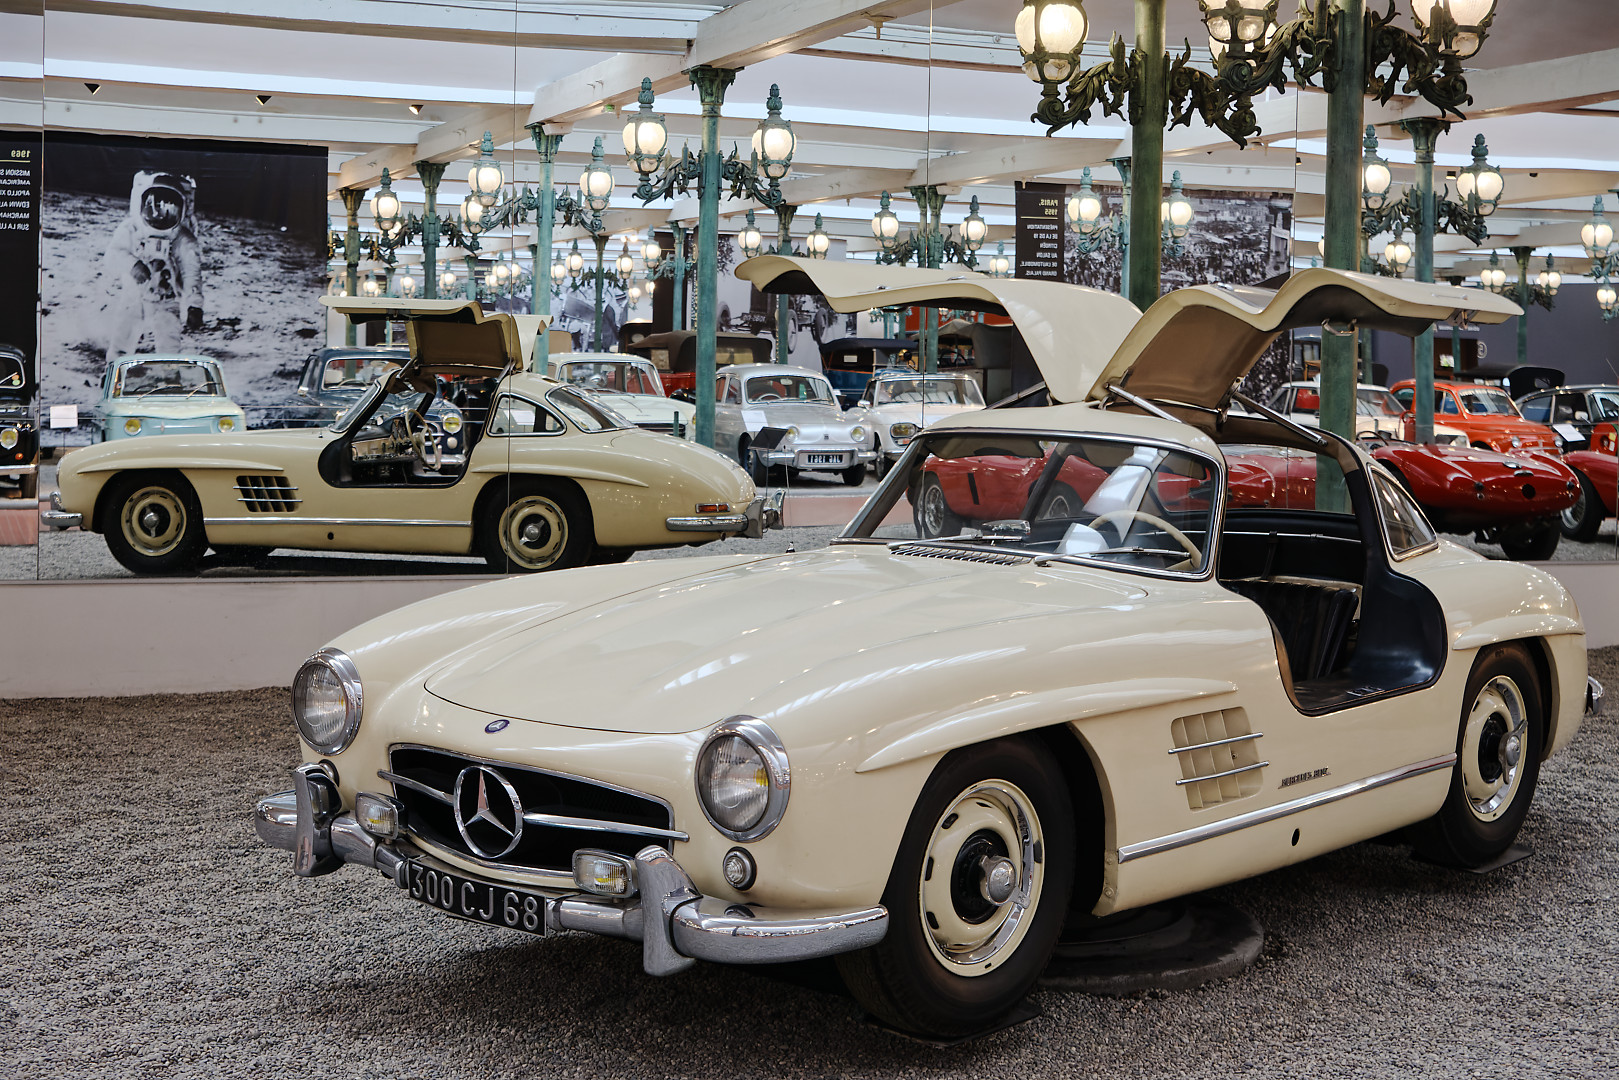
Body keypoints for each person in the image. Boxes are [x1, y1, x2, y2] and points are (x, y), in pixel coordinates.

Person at [100, 171, 203, 359]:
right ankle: (115, 366)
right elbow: (112, 255)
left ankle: (167, 370)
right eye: (154, 206)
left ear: (181, 210)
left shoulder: (183, 239)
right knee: (123, 335)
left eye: (169, 209)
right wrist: (133, 265)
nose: (160, 215)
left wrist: (194, 305)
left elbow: (191, 273)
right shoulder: (131, 229)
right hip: (134, 296)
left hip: (167, 299)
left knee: (169, 342)